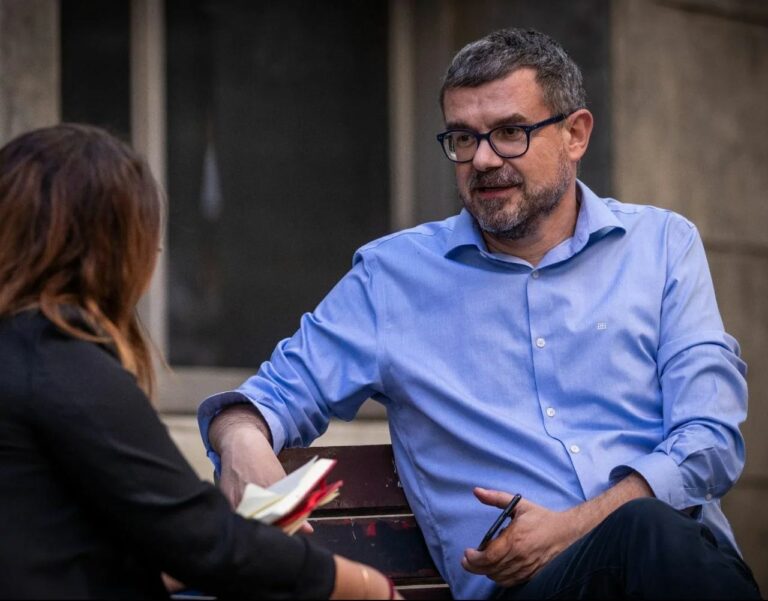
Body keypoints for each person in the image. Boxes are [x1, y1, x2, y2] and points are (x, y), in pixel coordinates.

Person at [198, 29, 761, 599]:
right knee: (647, 535)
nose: (484, 159)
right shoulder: (394, 279)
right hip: (532, 591)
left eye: (510, 133)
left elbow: (709, 438)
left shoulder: (662, 245)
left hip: (678, 560)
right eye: (464, 139)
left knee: (649, 533)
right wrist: (241, 440)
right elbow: (268, 397)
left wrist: (570, 527)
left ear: (575, 134)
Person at [0, 123, 400, 600]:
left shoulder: (23, 353)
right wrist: (361, 585)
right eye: (146, 236)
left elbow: (51, 543)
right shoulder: (60, 364)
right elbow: (199, 534)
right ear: (110, 249)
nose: (155, 254)